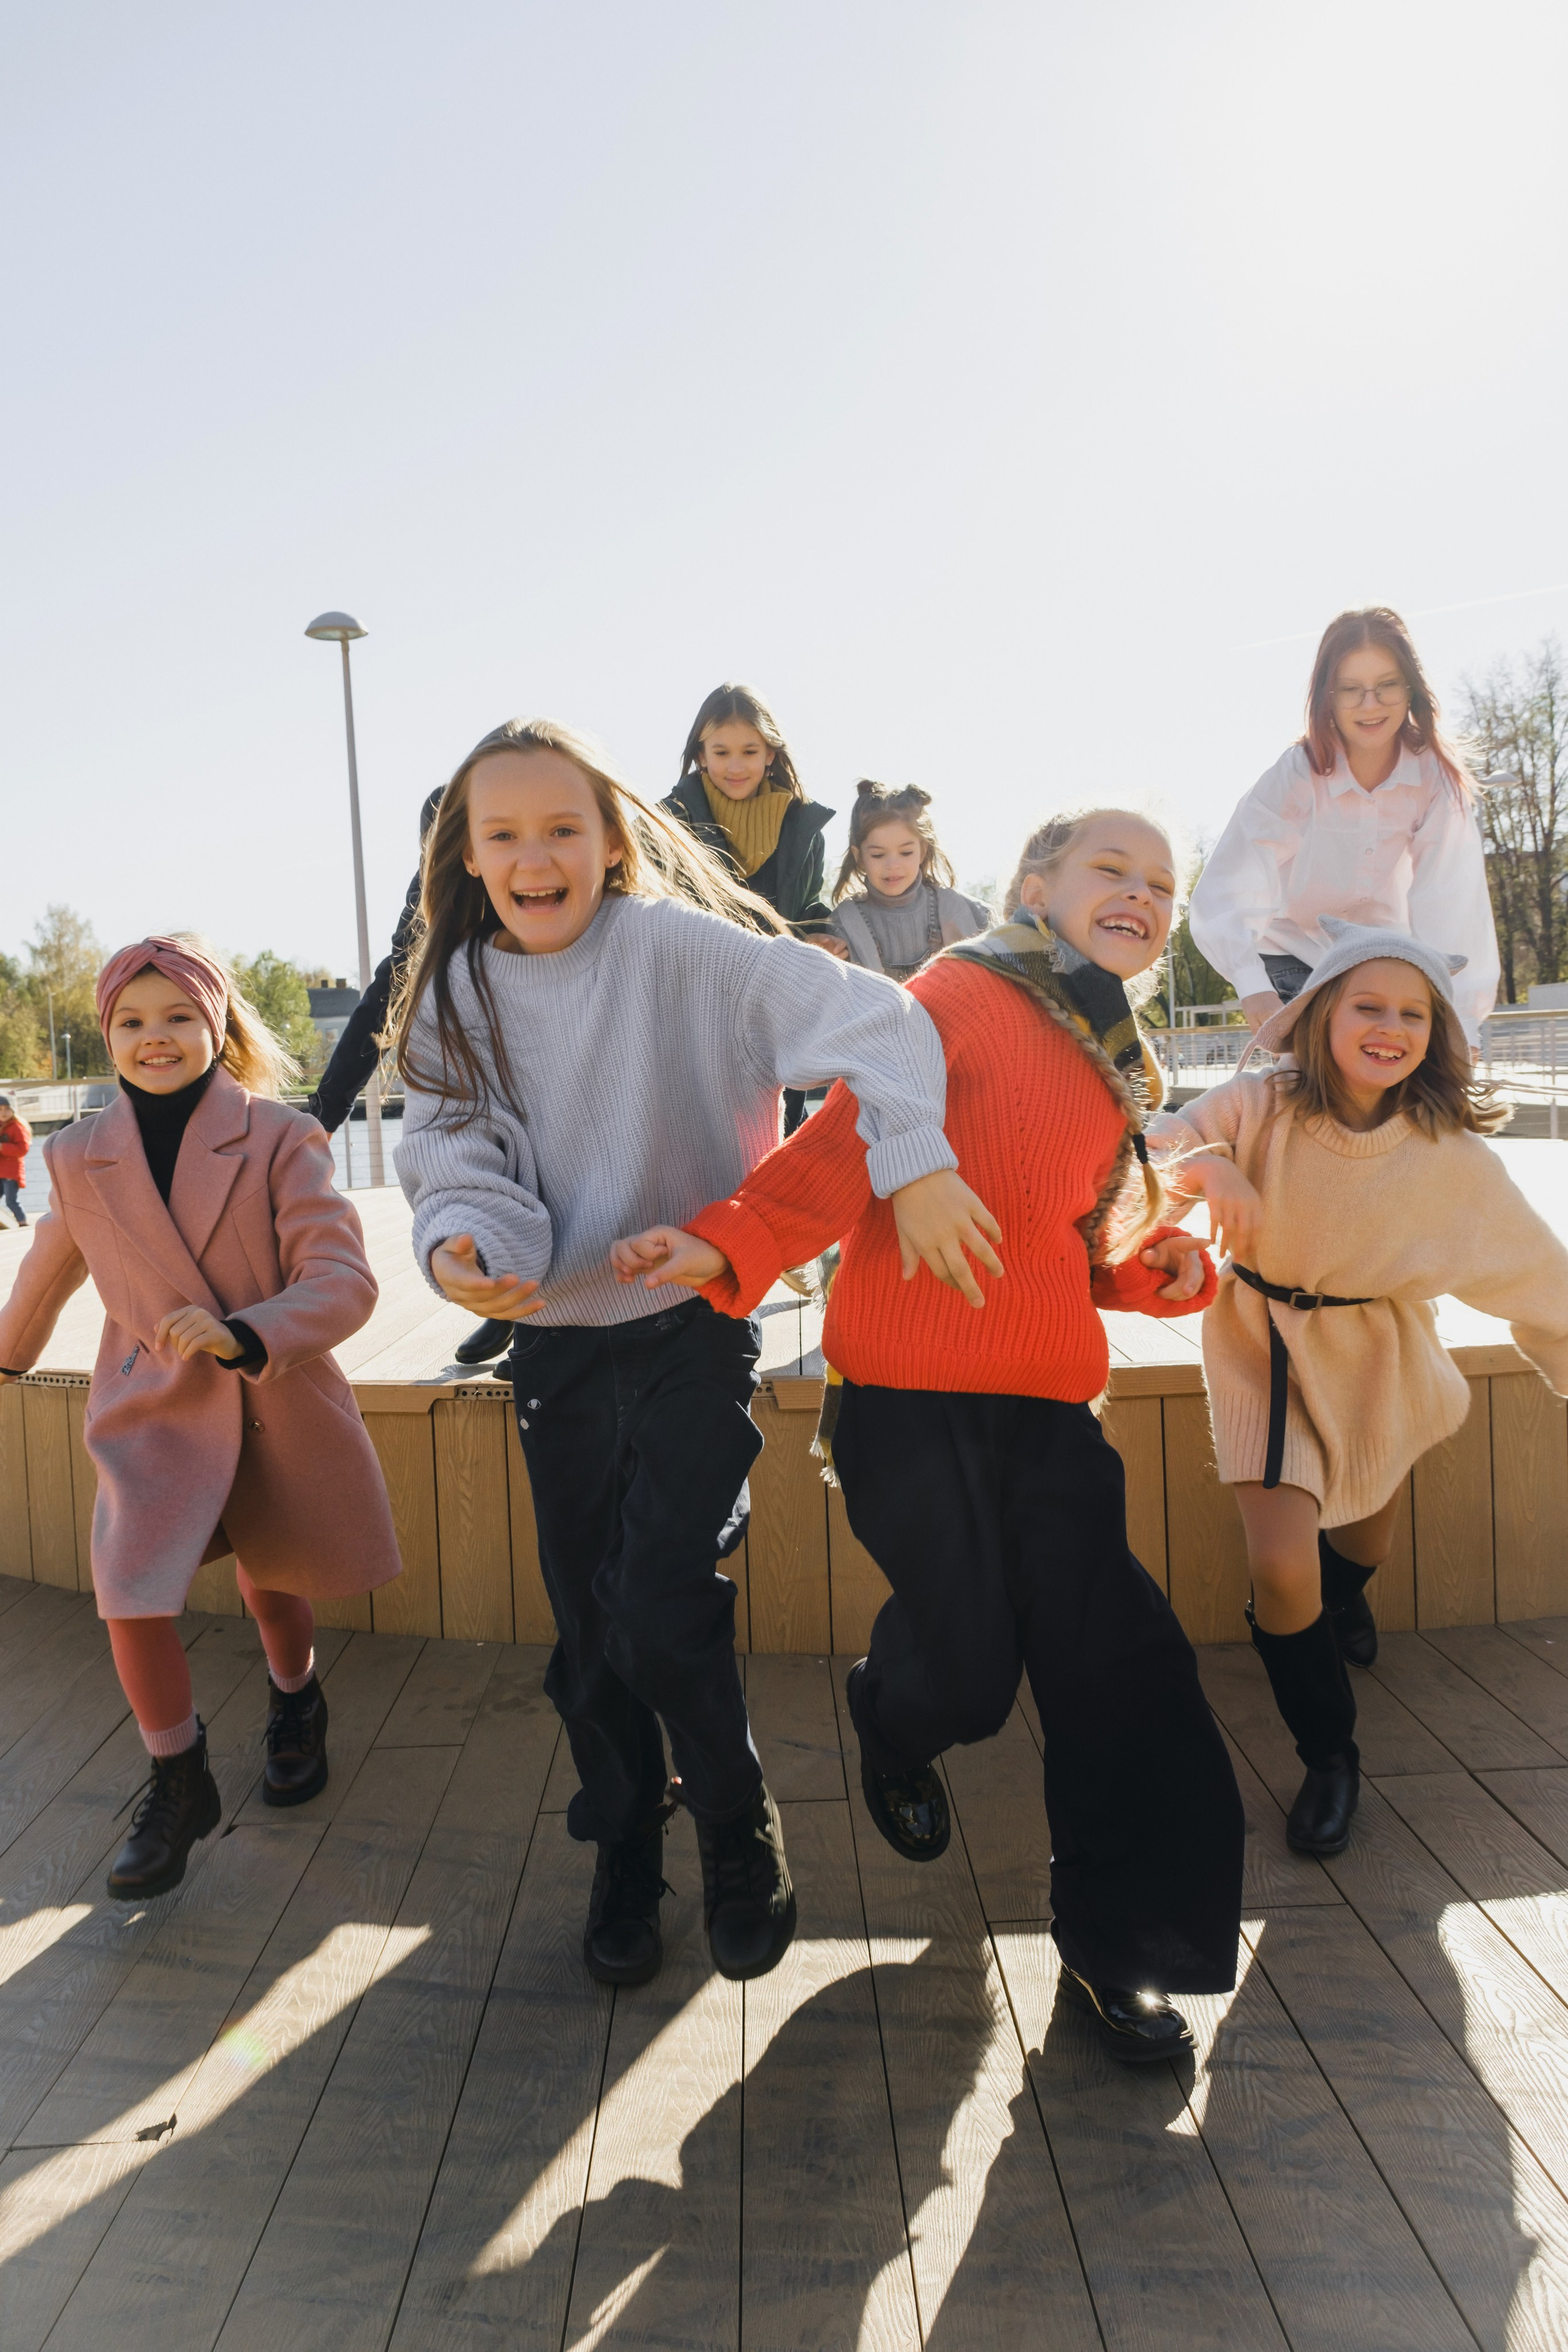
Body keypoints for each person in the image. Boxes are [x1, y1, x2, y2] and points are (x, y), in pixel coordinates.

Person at [613, 809, 1246, 2062]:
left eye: (1160, 885)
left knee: (1121, 1671)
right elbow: (848, 1143)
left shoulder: (1110, 1050)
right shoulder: (951, 995)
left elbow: (1067, 1238)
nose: (1140, 893)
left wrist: (1154, 1269)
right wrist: (729, 1241)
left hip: (1053, 1417)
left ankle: (1115, 1956)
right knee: (964, 1670)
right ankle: (892, 1721)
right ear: (1033, 886)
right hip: (908, 1408)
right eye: (1109, 869)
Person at [391, 715, 981, 1994]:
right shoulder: (454, 995)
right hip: (553, 1346)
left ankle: (729, 1815)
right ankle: (626, 1842)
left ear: (611, 842)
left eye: (562, 828)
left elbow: (883, 1028)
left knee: (661, 1606)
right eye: (505, 835)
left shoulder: (680, 951)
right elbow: (450, 1158)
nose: (534, 855)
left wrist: (913, 1163)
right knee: (592, 1636)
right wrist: (466, 1248)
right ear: (469, 855)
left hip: (692, 1329)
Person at [1148, 918, 1568, 1858]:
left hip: (1380, 1356)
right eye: (1368, 1005)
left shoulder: (1450, 1155)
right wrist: (1207, 1165)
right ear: (1323, 1014)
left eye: (1413, 1012)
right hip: (1263, 1345)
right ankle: (1330, 1755)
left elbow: (1541, 1275)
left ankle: (1342, 1603)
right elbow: (1156, 1141)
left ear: (1438, 1031)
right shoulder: (1261, 1104)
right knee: (1282, 1564)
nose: (1391, 1026)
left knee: (1361, 1538)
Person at [0, 936, 402, 1899]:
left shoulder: (280, 1137)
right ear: (107, 1036)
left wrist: (245, 1332)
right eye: (131, 1022)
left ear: (217, 1025)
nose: (156, 1038)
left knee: (275, 1576)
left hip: (268, 1389)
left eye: (178, 1015)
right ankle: (177, 1777)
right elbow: (47, 1272)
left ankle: (296, 1703)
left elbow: (342, 1282)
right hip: (150, 1401)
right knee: (127, 1591)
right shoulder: (78, 1155)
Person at [1188, 607, 1500, 1044]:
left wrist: (1462, 1027)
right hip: (1289, 953)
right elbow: (1230, 885)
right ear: (1327, 696)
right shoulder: (1299, 774)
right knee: (1321, 1073)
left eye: (1387, 686)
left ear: (1410, 689)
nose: (1370, 705)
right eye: (1351, 689)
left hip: (1380, 954)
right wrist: (1252, 986)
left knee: (1397, 1074)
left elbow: (1452, 903)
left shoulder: (1434, 779)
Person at [304, 788, 510, 1374]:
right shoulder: (428, 898)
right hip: (479, 1057)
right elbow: (385, 994)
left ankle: (544, 1327)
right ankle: (513, 1302)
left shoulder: (533, 878)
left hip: (558, 1042)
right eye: (436, 846)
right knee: (468, 1172)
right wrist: (324, 1110)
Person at [663, 682, 835, 1134]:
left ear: (770, 754)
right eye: (721, 753)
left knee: (781, 1139)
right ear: (701, 754)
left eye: (749, 751)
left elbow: (810, 904)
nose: (735, 766)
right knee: (703, 1139)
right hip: (698, 1006)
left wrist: (823, 932)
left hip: (781, 1004)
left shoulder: (803, 826)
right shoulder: (667, 824)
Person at [825, 780, 991, 979]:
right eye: (878, 855)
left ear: (923, 851)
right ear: (859, 856)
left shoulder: (967, 913)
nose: (893, 865)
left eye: (906, 853)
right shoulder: (844, 923)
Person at [0, 1095, 30, 1226]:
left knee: (11, 1200)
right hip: (1, 1171)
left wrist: (3, 1147)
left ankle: (23, 1223)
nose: (4, 1113)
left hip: (11, 1172)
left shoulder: (17, 1127)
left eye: (7, 1109)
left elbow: (23, 1149)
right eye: (0, 1109)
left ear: (13, 1110)